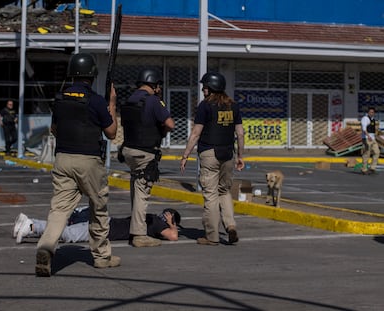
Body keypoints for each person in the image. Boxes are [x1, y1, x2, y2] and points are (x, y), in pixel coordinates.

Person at [35, 53, 118, 277]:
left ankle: (46, 246)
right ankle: (102, 257)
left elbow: (54, 129)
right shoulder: (97, 100)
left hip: (62, 158)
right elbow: (111, 133)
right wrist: (112, 103)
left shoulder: (60, 98)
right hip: (89, 160)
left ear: (72, 73)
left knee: (59, 209)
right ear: (92, 75)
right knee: (98, 207)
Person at [180, 72, 244, 246]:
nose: (203, 89)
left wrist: (185, 155)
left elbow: (195, 133)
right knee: (224, 192)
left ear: (212, 87)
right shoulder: (234, 106)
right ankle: (230, 226)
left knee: (210, 195)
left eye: (205, 86)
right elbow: (240, 133)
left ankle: (212, 236)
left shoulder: (205, 106)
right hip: (228, 153)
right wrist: (240, 156)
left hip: (209, 153)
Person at [119, 68, 175, 248]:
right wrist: (161, 133)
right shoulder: (153, 101)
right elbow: (170, 124)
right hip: (145, 152)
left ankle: (136, 227)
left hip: (128, 150)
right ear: (153, 84)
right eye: (158, 85)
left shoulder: (130, 99)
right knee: (143, 193)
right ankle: (139, 235)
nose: (159, 89)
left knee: (136, 189)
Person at [13, 207, 181, 244]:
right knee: (69, 235)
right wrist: (173, 225)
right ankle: (31, 227)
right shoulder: (158, 223)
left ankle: (30, 222)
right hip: (105, 228)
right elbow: (173, 236)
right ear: (170, 217)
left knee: (68, 231)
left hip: (106, 223)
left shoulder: (151, 217)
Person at [361, 106, 380, 175]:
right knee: (367, 154)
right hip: (366, 138)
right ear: (368, 112)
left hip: (373, 138)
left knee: (377, 152)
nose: (372, 113)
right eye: (370, 112)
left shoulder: (373, 119)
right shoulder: (365, 118)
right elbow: (364, 128)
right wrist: (368, 136)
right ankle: (364, 169)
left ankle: (372, 168)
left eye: (373, 112)